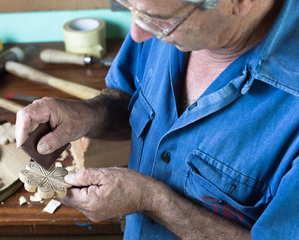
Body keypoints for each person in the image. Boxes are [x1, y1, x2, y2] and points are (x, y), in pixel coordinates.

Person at [15, 0, 299, 238]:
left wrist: (152, 200)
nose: (137, 33)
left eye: (158, 18)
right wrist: (90, 115)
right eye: (127, 4)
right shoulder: (161, 12)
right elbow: (134, 99)